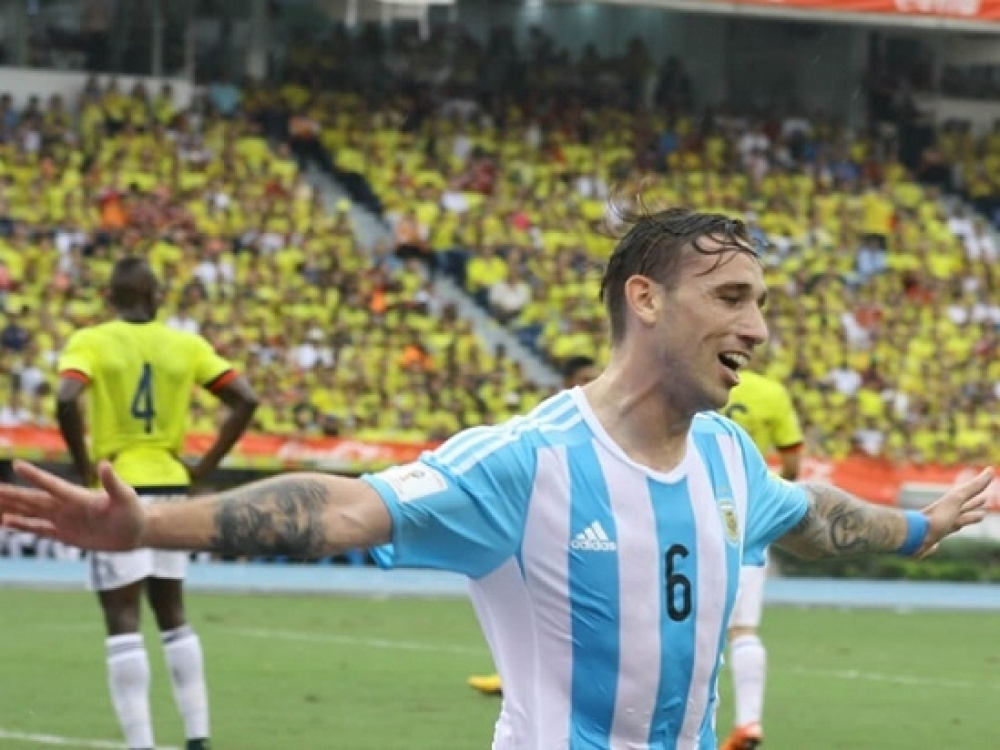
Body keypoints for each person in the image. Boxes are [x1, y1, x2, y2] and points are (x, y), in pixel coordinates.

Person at [0, 207, 991, 750]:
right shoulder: (529, 458)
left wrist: (920, 528)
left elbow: (810, 514)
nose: (758, 328)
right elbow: (346, 507)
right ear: (644, 300)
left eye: (761, 303)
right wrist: (150, 526)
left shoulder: (729, 454)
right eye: (732, 297)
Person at [53, 257, 258, 750]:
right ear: (156, 296)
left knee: (123, 620)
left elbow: (65, 398)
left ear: (110, 297)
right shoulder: (185, 344)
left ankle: (141, 744)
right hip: (171, 486)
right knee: (173, 612)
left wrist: (84, 468)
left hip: (119, 486)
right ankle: (198, 737)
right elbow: (245, 399)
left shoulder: (91, 341)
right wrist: (203, 468)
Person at [466, 354, 601, 697]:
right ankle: (515, 673)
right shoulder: (546, 424)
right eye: (585, 377)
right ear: (568, 382)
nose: (592, 384)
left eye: (595, 376)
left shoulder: (606, 426)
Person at [719, 369, 803, 750]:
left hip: (690, 508)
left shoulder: (692, 382)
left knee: (683, 623)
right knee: (743, 629)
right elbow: (793, 464)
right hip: (748, 515)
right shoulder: (771, 392)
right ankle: (748, 722)